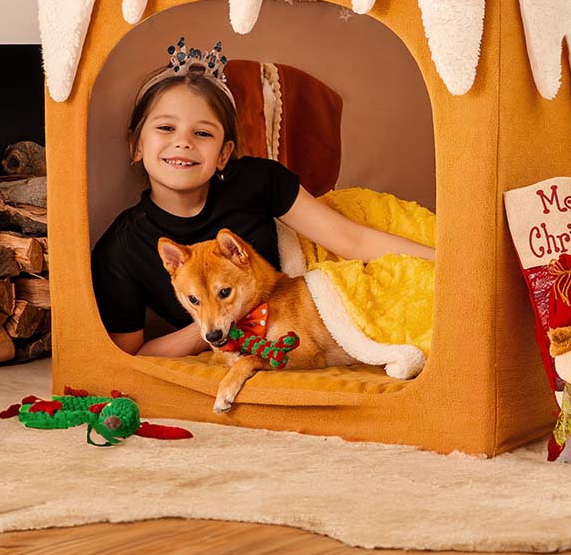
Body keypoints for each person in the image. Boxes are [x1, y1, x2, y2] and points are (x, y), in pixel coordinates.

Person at [91, 39, 435, 358]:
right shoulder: (122, 249)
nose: (183, 142)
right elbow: (129, 355)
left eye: (202, 133)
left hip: (314, 279)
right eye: (166, 128)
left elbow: (351, 238)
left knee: (416, 281)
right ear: (136, 145)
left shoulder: (259, 180)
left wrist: (445, 262)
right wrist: (216, 323)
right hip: (262, 330)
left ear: (224, 154)